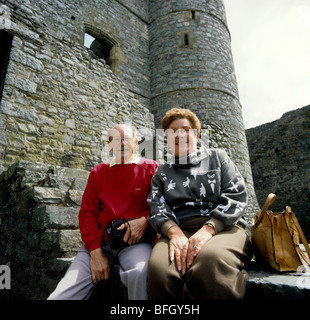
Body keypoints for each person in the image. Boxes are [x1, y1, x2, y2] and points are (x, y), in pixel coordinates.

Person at [147, 108, 252, 299]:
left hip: (224, 228)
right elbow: (156, 207)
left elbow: (236, 194)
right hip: (178, 230)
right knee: (160, 270)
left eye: (186, 129)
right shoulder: (161, 172)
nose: (179, 134)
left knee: (210, 261)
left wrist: (209, 228)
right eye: (173, 131)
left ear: (196, 134)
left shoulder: (217, 158)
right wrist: (174, 233)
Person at [48, 124, 158, 300]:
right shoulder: (98, 172)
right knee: (61, 296)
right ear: (109, 144)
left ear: (136, 142)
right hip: (100, 243)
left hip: (135, 243)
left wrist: (145, 221)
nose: (122, 144)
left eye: (126, 139)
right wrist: (95, 251)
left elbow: (161, 206)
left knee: (140, 273)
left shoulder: (152, 168)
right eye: (115, 139)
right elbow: (87, 214)